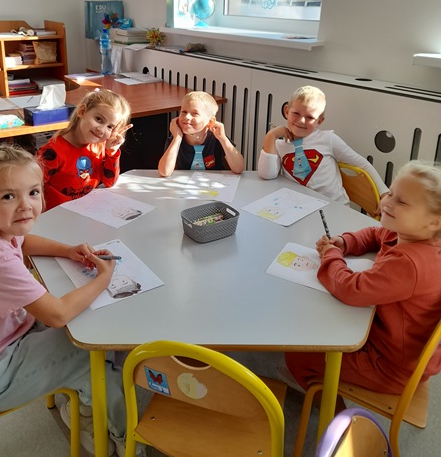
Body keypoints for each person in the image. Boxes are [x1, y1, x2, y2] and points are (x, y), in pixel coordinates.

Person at [0, 145, 143, 457]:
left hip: (0, 341)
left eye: (33, 192)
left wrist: (67, 250)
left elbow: (23, 241)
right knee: (92, 347)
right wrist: (104, 278)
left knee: (93, 329)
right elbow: (57, 315)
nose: (25, 206)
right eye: (8, 196)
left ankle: (88, 403)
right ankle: (127, 440)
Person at [283, 160, 441, 395]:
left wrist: (331, 255)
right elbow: (376, 234)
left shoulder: (410, 264)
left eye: (401, 201)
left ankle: (328, 407)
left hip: (390, 367)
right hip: (387, 338)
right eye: (391, 193)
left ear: (434, 222)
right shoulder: (406, 232)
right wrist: (344, 242)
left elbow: (352, 289)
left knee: (298, 354)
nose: (387, 202)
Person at [258, 85, 388, 204]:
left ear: (320, 121)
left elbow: (363, 164)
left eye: (310, 117)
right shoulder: (279, 145)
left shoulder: (328, 140)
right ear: (287, 111)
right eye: (296, 113)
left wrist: (384, 193)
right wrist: (271, 135)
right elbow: (267, 175)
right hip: (300, 206)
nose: (301, 121)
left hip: (335, 208)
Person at [38, 89, 132, 211]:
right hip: (58, 215)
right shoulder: (52, 152)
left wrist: (112, 153)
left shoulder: (99, 145)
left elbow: (109, 182)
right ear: (82, 111)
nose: (101, 130)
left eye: (110, 127)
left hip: (88, 209)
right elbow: (32, 188)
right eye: (99, 119)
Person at [158, 90, 245, 177]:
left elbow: (239, 168)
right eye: (184, 112)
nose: (187, 117)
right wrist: (177, 138)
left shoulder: (217, 138)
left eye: (195, 113)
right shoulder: (174, 140)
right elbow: (164, 172)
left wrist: (223, 139)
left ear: (210, 121)